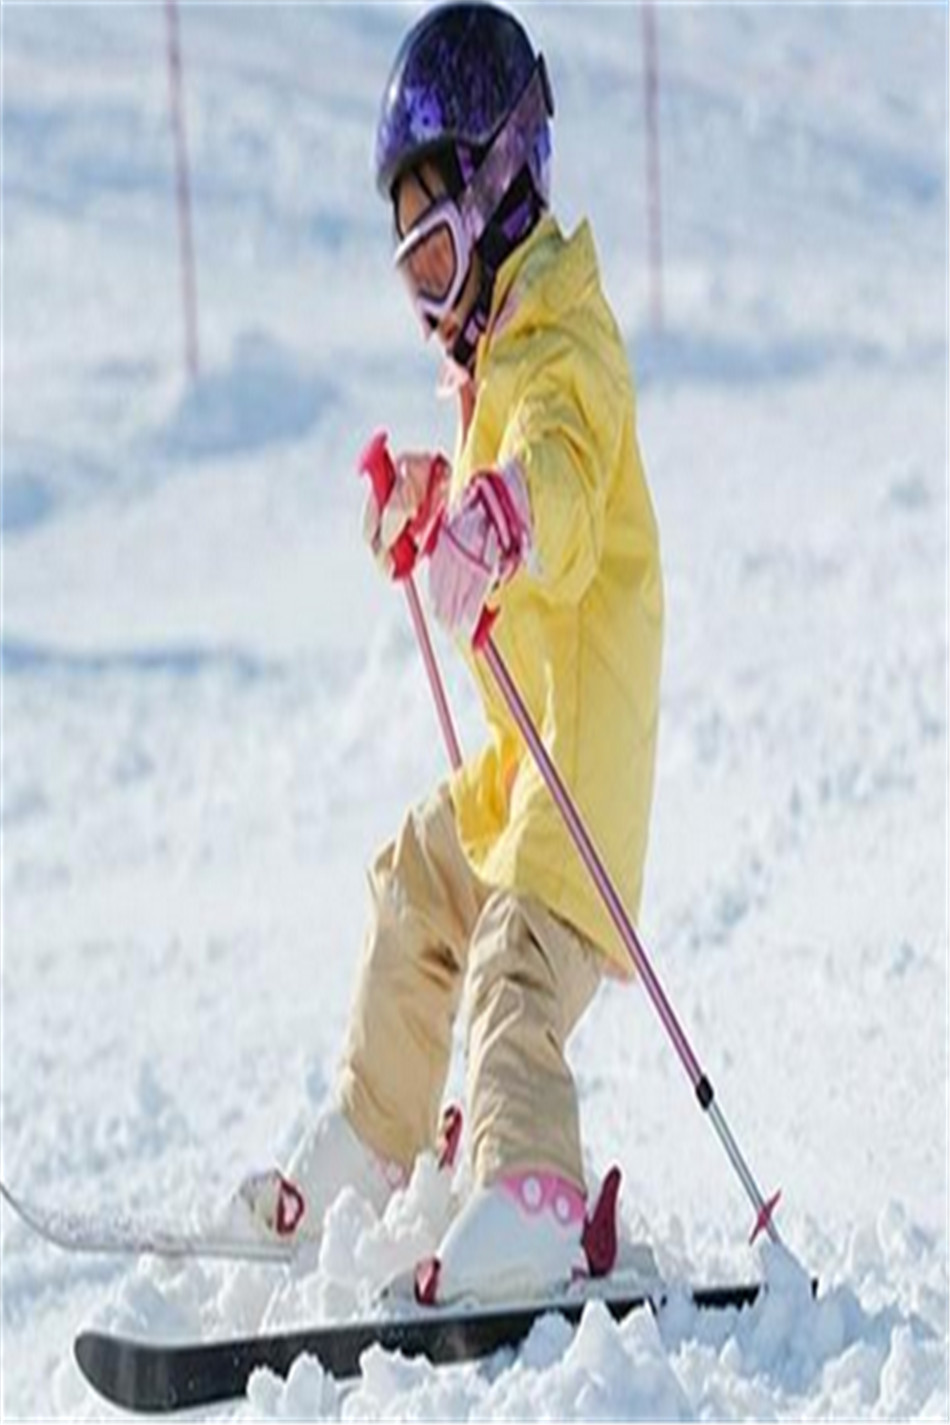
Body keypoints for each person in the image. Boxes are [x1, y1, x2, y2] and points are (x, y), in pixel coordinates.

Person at [243, 1, 664, 1306]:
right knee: (418, 882)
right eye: (410, 275)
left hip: (577, 770)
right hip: (512, 757)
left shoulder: (562, 353)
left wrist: (504, 511)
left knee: (510, 972)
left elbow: (565, 478)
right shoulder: (503, 360)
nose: (431, 302)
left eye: (437, 259)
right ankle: (374, 1136)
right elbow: (494, 473)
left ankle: (532, 1197)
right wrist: (436, 497)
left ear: (502, 191)